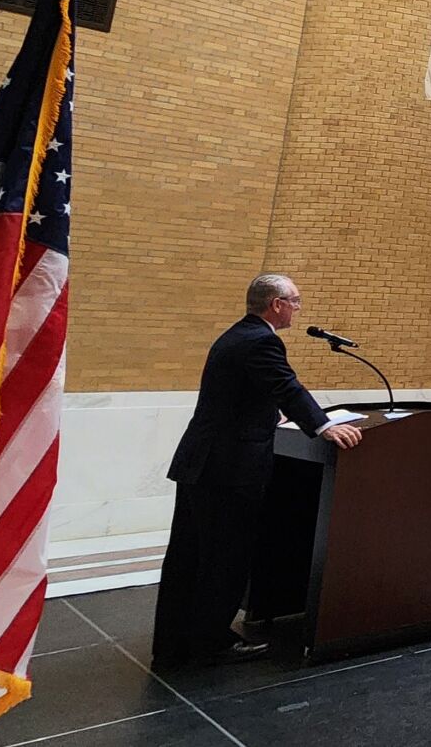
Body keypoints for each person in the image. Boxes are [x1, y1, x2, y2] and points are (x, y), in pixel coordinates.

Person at [154, 275, 362, 667]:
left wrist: (270, 414)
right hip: (230, 470)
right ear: (276, 304)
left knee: (189, 557)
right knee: (225, 558)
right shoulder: (263, 341)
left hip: (204, 463)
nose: (298, 309)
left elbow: (242, 395)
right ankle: (210, 643)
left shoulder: (237, 335)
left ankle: (176, 641)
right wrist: (324, 425)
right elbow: (287, 387)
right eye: (295, 301)